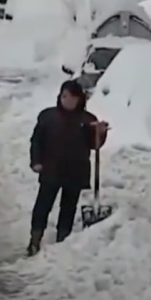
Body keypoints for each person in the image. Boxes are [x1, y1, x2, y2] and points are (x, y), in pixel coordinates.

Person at [27, 80, 108, 255]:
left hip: (75, 171)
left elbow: (94, 145)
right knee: (43, 205)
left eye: (71, 97)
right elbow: (37, 141)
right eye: (64, 96)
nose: (67, 100)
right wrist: (36, 161)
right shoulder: (48, 117)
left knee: (68, 208)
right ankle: (34, 239)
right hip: (51, 169)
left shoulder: (88, 120)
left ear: (79, 99)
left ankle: (63, 240)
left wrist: (100, 133)